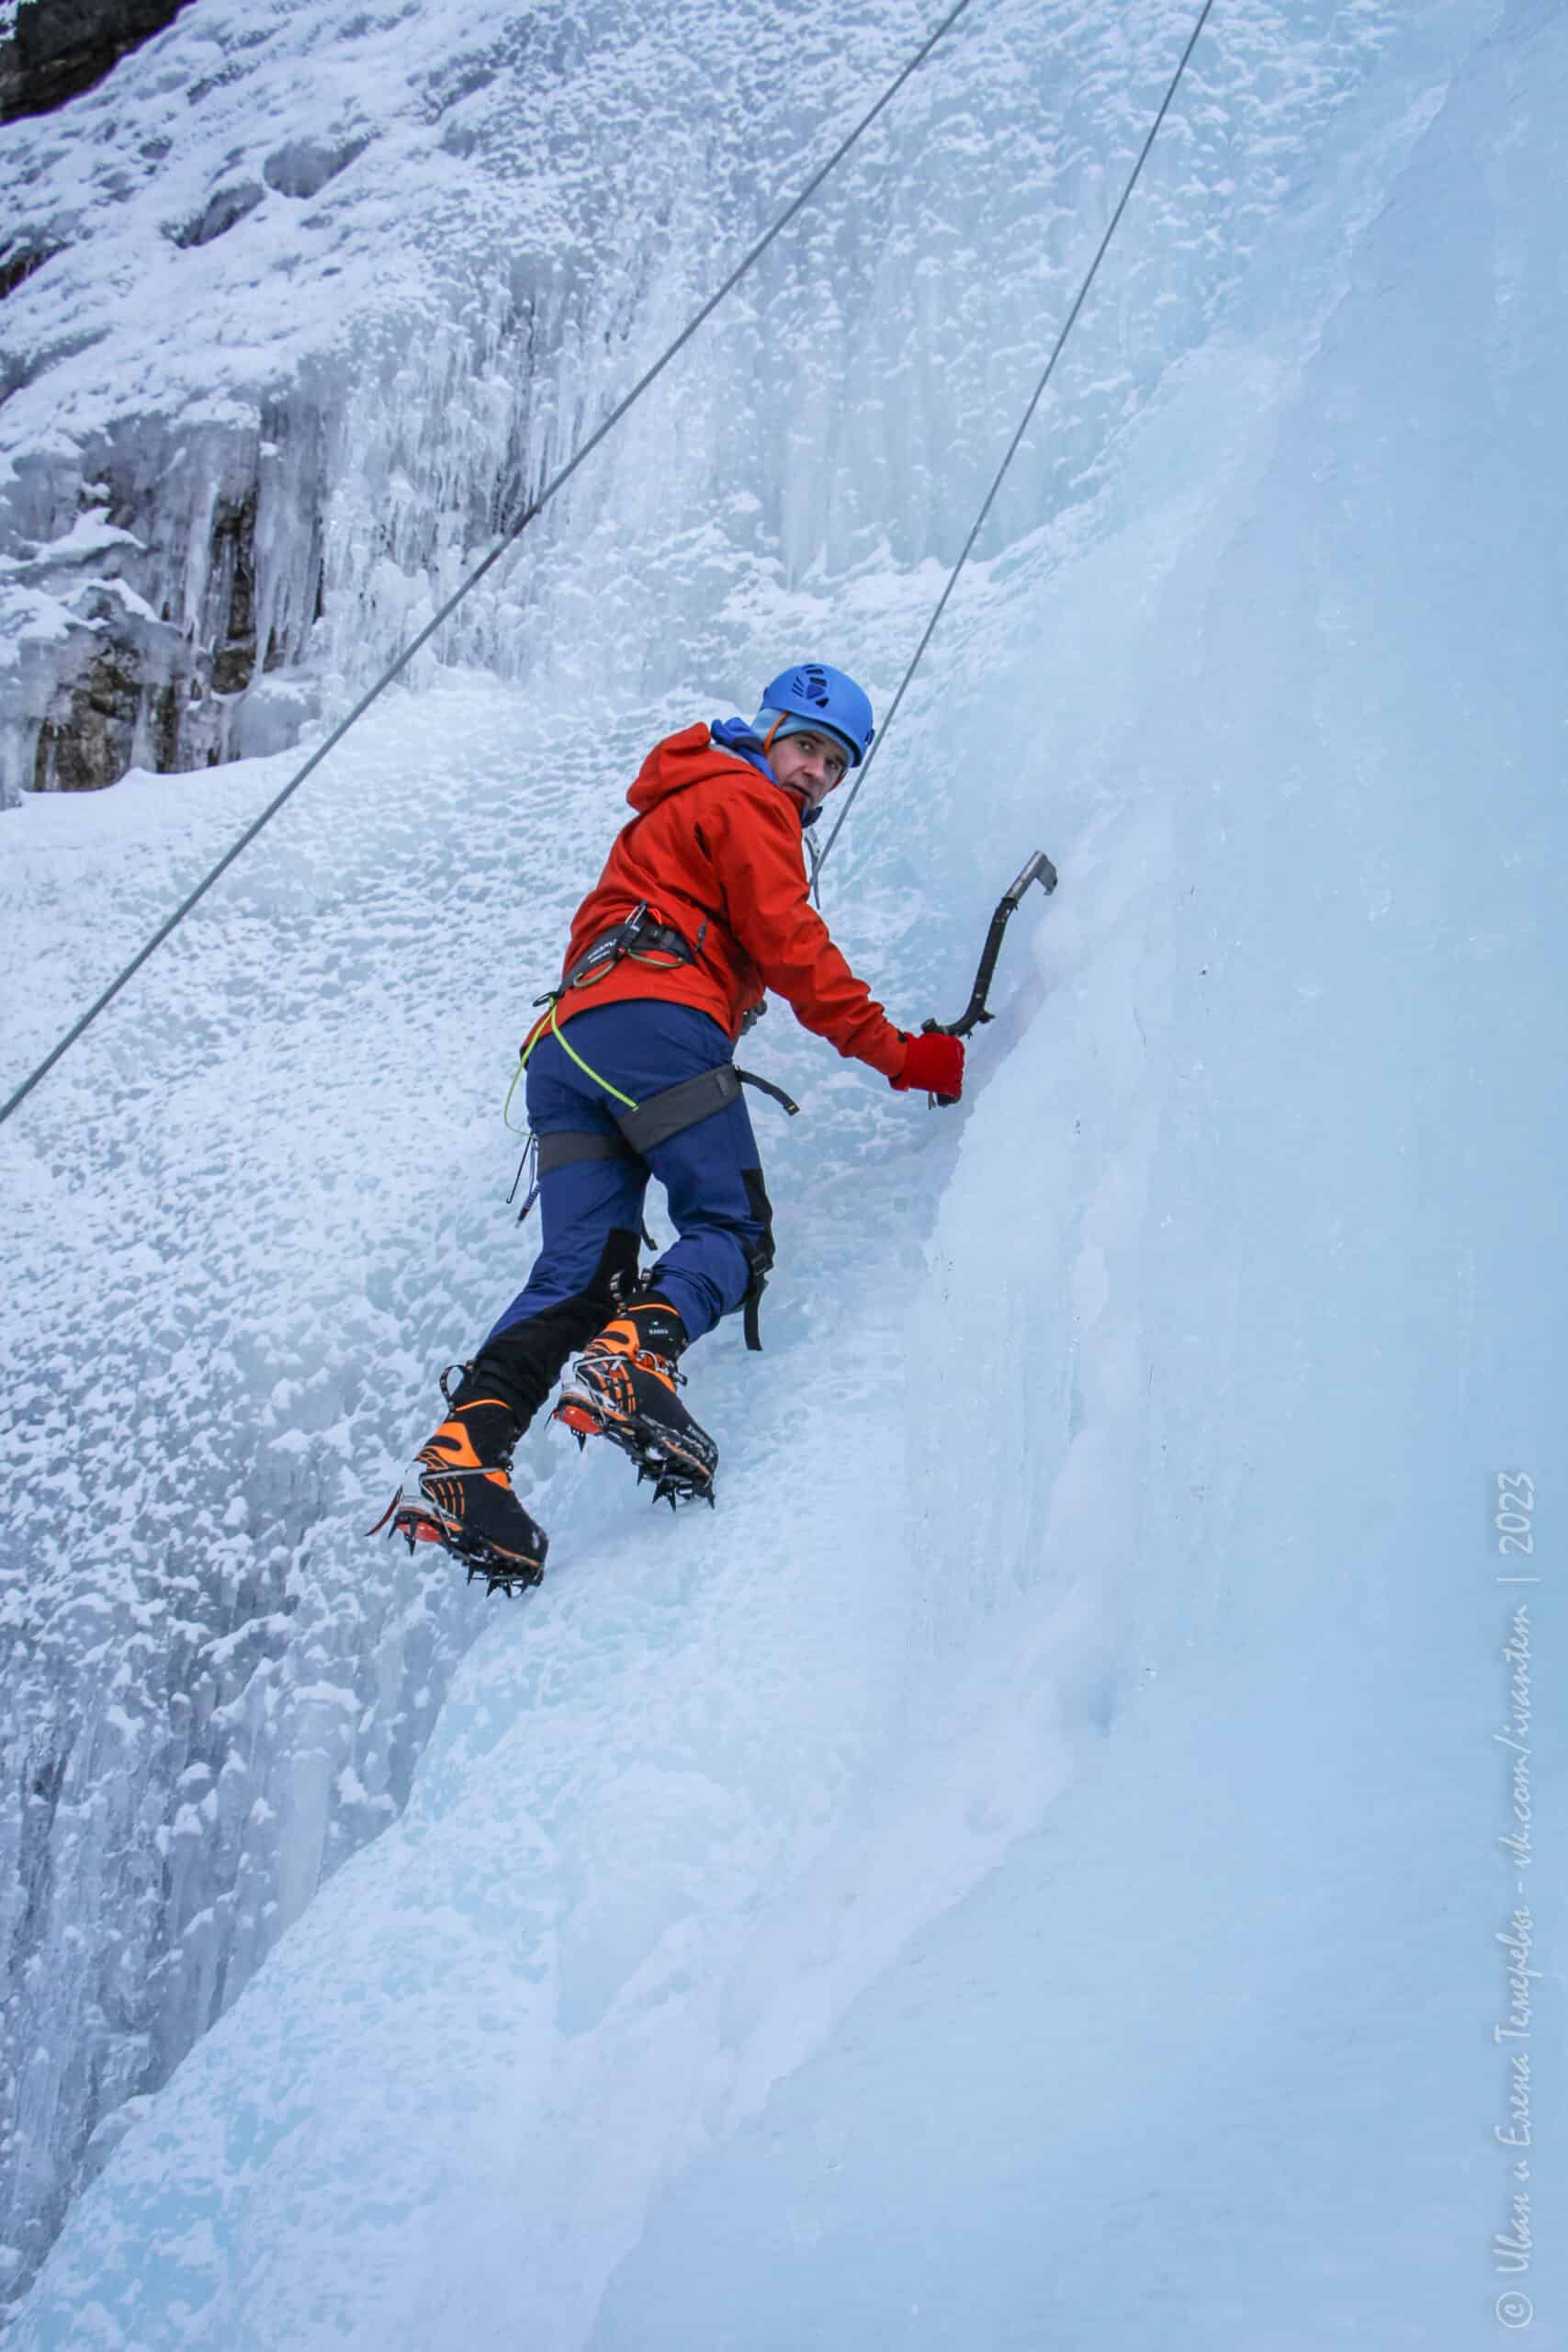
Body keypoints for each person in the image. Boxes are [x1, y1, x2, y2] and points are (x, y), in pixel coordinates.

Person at [374, 662, 964, 1590]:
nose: (815, 774)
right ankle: (629, 1364)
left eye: (836, 764)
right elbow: (795, 949)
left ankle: (461, 1459)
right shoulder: (743, 798)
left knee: (584, 1273)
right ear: (766, 732)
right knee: (731, 1230)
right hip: (656, 1022)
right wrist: (904, 1055)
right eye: (806, 746)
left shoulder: (677, 801)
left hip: (568, 1048)